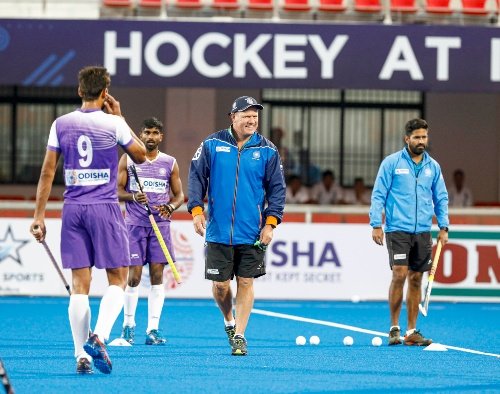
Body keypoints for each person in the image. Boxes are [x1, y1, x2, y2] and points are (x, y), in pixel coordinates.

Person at [30, 66, 146, 374]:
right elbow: (142, 155)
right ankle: (100, 336)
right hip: (105, 208)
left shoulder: (61, 123)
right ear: (105, 92)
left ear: (80, 91)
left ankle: (80, 355)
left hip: (73, 209)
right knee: (118, 280)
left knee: (79, 286)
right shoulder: (114, 123)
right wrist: (121, 117)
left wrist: (38, 216)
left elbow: (47, 172)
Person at [187, 96, 286, 356]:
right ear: (233, 117)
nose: (252, 120)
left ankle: (240, 335)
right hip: (218, 230)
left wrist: (271, 223)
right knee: (220, 286)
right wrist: (196, 210)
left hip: (252, 231)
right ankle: (229, 320)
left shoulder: (268, 150)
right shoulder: (211, 144)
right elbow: (196, 177)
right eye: (246, 115)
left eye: (255, 116)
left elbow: (277, 190)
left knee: (246, 281)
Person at [369, 118, 449, 347]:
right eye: (417, 137)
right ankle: (394, 328)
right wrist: (376, 223)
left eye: (424, 137)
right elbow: (378, 194)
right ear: (407, 139)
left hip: (423, 231)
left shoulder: (433, 167)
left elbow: (441, 198)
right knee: (400, 274)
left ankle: (412, 331)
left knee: (416, 279)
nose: (421, 141)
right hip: (397, 230)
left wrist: (444, 226)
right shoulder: (391, 163)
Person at [118, 117, 184, 346]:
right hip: (134, 225)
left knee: (157, 277)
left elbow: (179, 196)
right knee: (134, 276)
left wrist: (171, 207)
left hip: (160, 226)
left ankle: (153, 329)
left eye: (155, 133)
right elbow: (116, 191)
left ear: (161, 137)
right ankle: (128, 326)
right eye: (147, 132)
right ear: (141, 134)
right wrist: (133, 196)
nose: (151, 137)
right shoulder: (128, 160)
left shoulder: (170, 163)